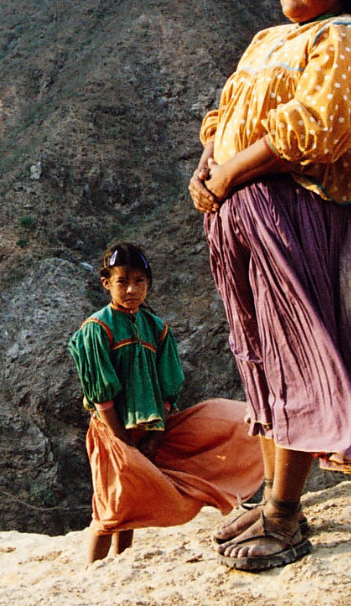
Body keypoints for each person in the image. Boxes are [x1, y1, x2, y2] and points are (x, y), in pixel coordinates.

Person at [190, 0, 351, 571]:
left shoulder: (348, 37)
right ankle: (275, 500)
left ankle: (283, 515)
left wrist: (229, 173)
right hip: (242, 211)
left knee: (298, 357)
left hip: (298, 213)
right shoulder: (268, 41)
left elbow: (318, 128)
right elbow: (226, 116)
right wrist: (207, 166)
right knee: (261, 357)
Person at [67, 241, 263, 563]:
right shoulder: (97, 329)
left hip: (153, 429)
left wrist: (155, 437)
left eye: (139, 281)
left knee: (131, 502)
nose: (131, 289)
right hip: (111, 431)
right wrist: (124, 442)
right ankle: (94, 571)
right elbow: (102, 396)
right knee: (109, 507)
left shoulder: (157, 329)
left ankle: (121, 563)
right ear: (106, 283)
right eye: (122, 281)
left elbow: (168, 387)